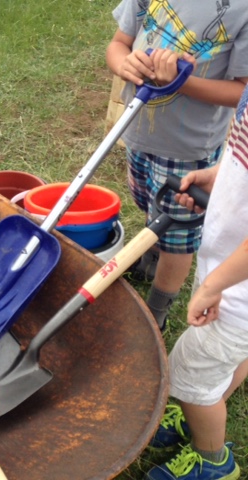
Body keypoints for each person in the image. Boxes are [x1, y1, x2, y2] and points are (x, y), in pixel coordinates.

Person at [105, 0, 248, 330]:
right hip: (138, 133)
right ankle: (151, 256)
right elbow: (118, 44)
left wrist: (181, 81)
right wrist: (123, 64)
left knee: (177, 233)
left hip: (188, 151)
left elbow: (241, 91)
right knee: (147, 202)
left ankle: (157, 308)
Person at [143, 83, 248, 479]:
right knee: (222, 362)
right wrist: (218, 177)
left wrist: (212, 286)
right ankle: (203, 408)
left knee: (189, 371)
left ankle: (213, 460)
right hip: (231, 276)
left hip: (237, 295)